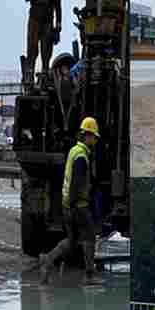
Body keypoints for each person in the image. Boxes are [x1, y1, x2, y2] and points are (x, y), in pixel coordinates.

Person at [38, 117, 101, 285]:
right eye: (94, 136)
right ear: (87, 135)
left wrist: (69, 205)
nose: (95, 140)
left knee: (72, 240)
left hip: (68, 204)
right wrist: (74, 205)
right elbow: (76, 182)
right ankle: (89, 275)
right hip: (78, 205)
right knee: (89, 237)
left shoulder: (74, 150)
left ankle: (48, 260)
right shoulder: (81, 156)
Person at [24, 0, 62, 84]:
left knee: (46, 50)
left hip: (47, 19)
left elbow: (58, 1)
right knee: (32, 49)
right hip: (34, 19)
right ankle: (29, 75)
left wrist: (59, 23)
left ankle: (45, 74)